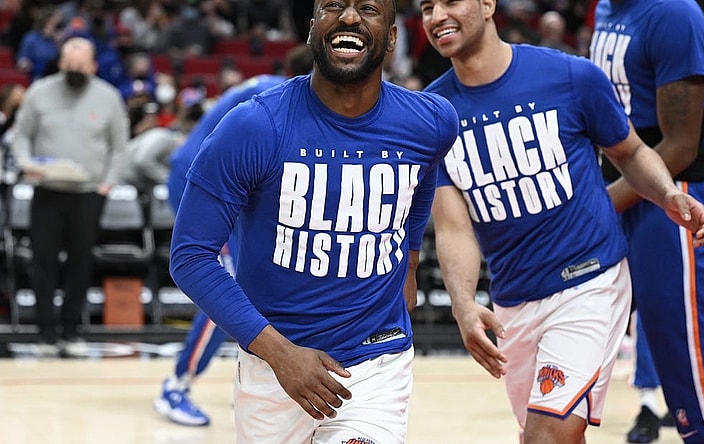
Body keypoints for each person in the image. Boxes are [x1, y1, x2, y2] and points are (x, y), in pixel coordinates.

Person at [419, 0, 704, 442]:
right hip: (514, 299)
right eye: (426, 7)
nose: (437, 15)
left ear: (487, 4)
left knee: (547, 436)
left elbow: (630, 152)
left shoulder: (571, 76)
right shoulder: (433, 114)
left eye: (450, 1)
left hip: (589, 280)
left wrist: (667, 192)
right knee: (541, 434)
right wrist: (461, 304)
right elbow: (454, 226)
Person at [168, 0, 459, 442]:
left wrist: (411, 260)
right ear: (312, 30)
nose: (348, 17)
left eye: (367, 8)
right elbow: (190, 256)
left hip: (376, 361)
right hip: (272, 370)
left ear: (393, 36)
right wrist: (281, 355)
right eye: (333, 6)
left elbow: (421, 179)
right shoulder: (254, 126)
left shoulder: (431, 122)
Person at [590, 1, 704, 442]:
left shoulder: (674, 13)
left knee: (685, 371)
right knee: (637, 352)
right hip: (621, 193)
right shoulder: (606, 10)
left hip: (674, 197)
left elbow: (681, 145)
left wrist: (594, 208)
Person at [154, 44, 314, 428]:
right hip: (204, 181)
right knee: (225, 284)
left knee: (250, 278)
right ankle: (177, 384)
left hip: (215, 178)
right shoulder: (283, 95)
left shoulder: (268, 86)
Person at [624, 59, 704, 443]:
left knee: (696, 318)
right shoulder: (641, 73)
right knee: (649, 311)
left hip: (702, 201)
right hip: (651, 197)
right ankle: (650, 401)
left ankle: (693, 400)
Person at [11, 36, 129, 356]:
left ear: (92, 65)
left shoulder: (109, 97)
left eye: (81, 64)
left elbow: (120, 146)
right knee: (42, 263)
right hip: (47, 190)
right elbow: (21, 136)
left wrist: (108, 183)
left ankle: (72, 332)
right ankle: (46, 334)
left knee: (81, 263)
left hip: (89, 193)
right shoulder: (39, 92)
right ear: (61, 63)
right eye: (70, 64)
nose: (74, 69)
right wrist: (25, 163)